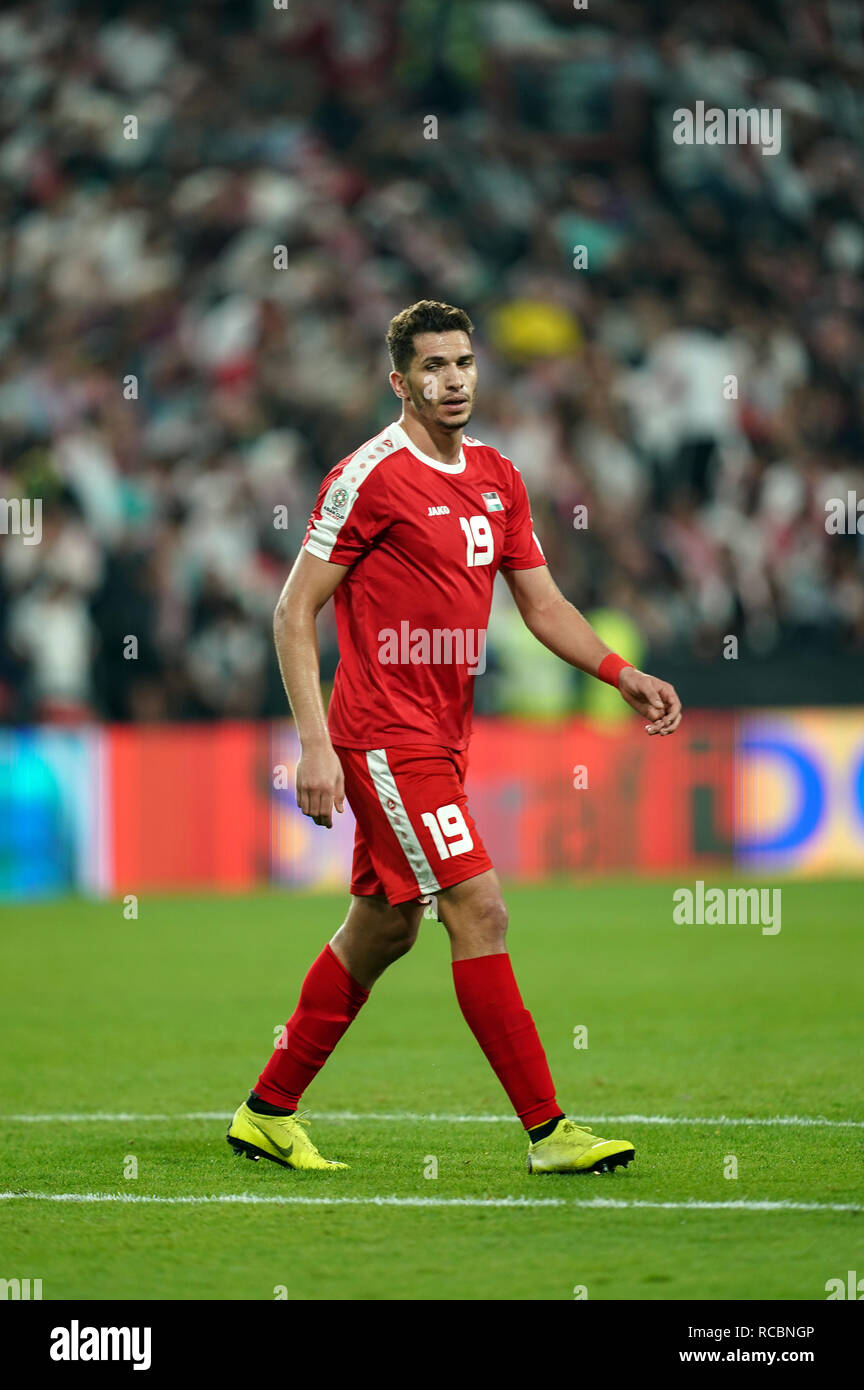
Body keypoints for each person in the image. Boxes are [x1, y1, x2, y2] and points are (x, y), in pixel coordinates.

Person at [227, 300, 682, 1174]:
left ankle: (268, 1110)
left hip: (443, 735)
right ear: (399, 382)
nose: (454, 381)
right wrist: (316, 745)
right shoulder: (368, 476)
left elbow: (542, 605)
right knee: (481, 908)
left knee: (386, 927)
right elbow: (293, 612)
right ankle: (551, 1132)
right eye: (433, 367)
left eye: (464, 363)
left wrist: (619, 671)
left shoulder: (499, 476)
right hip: (383, 737)